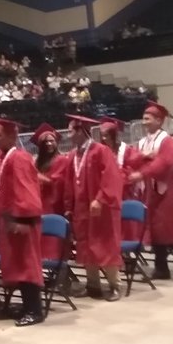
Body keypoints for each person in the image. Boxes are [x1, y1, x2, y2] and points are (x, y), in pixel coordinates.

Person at [128, 102, 173, 284]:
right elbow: (132, 158)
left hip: (169, 191)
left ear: (159, 120)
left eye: (147, 119)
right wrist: (145, 156)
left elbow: (163, 164)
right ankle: (161, 269)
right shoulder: (144, 142)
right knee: (156, 228)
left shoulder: (168, 142)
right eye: (144, 118)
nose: (144, 122)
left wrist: (143, 171)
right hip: (151, 190)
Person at [0, 118, 45, 326]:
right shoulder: (1, 158)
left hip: (23, 222)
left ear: (12, 136)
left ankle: (35, 310)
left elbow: (26, 191)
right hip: (10, 220)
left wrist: (24, 221)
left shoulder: (19, 158)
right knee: (17, 265)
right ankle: (25, 307)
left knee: (27, 265)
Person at [63, 115, 124, 301]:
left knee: (105, 245)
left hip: (101, 209)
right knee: (86, 246)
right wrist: (68, 206)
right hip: (82, 209)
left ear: (82, 130)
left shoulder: (100, 151)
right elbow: (68, 183)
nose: (68, 134)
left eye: (71, 130)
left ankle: (115, 285)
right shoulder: (73, 155)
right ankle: (93, 284)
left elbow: (111, 177)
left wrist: (100, 199)